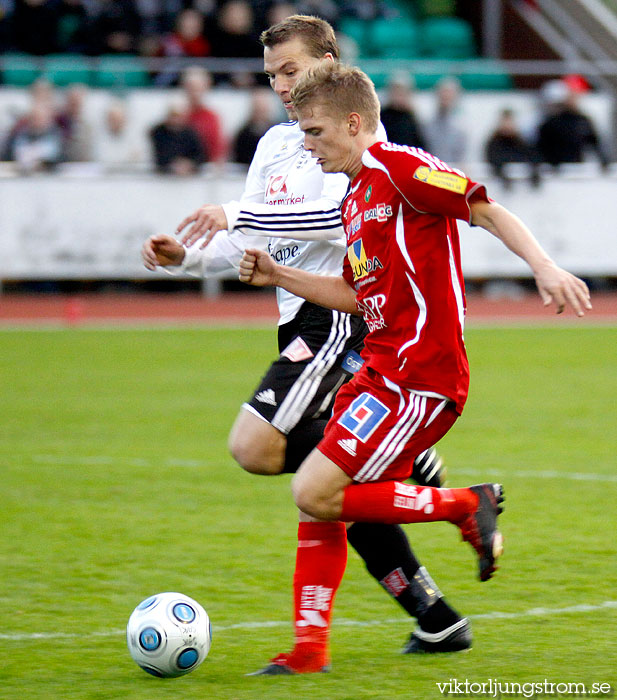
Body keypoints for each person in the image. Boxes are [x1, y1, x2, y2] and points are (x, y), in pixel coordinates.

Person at [236, 61, 591, 674]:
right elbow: (356, 294)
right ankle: (309, 652)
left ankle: (463, 503)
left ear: (353, 124)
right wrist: (278, 275)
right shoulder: (354, 197)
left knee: (315, 490)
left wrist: (545, 266)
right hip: (377, 373)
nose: (308, 145)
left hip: (421, 377)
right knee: (324, 497)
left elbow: (485, 208)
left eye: (315, 132)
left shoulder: (399, 168)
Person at [142, 15, 469, 664]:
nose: (283, 87)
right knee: (334, 495)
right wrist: (189, 255)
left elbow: (331, 219)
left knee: (256, 447)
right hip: (298, 321)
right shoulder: (272, 146)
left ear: (328, 60)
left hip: (341, 322)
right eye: (272, 77)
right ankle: (433, 617)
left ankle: (411, 482)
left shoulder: (354, 137)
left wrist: (237, 213)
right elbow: (252, 245)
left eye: (292, 71)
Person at [536, 79, 610, 169]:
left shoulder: (582, 121)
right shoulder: (548, 124)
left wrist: (604, 163)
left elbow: (594, 144)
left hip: (576, 167)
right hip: (555, 168)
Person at [485, 108, 540, 190]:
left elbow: (533, 157)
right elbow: (493, 160)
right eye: (506, 121)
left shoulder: (521, 142)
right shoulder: (494, 143)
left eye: (510, 121)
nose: (508, 125)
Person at [180, 66, 227, 163]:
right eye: (191, 88)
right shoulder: (179, 116)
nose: (195, 93)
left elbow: (218, 148)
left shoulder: (212, 117)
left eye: (198, 89)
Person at [149, 99, 204, 175]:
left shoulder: (191, 133)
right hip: (163, 175)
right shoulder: (158, 133)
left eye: (178, 116)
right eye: (173, 115)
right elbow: (157, 155)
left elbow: (200, 155)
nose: (175, 119)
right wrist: (173, 165)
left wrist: (188, 164)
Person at [423, 76, 467, 166]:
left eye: (449, 94)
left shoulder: (463, 124)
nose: (445, 96)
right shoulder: (427, 123)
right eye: (443, 93)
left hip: (454, 171)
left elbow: (464, 154)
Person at [231, 86, 279, 165]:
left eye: (263, 108)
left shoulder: (278, 131)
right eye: (258, 108)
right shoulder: (243, 133)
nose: (260, 111)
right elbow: (238, 157)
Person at [379, 72, 426, 150]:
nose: (399, 95)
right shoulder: (381, 118)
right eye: (396, 91)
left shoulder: (413, 119)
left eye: (402, 92)